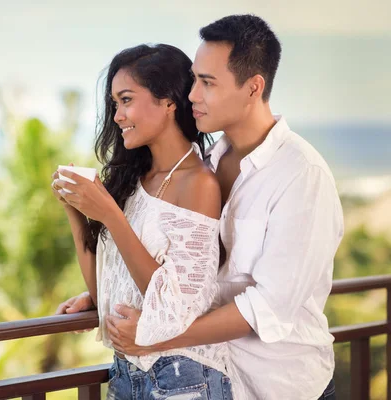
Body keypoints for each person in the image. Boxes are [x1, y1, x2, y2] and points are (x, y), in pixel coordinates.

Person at [58, 15, 343, 400]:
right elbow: (192, 274)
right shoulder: (205, 162)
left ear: (253, 87)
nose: (192, 95)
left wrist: (156, 334)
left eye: (207, 83)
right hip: (213, 376)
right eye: (194, 80)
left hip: (281, 386)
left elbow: (265, 307)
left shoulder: (300, 175)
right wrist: (104, 296)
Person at [51, 43, 235, 399]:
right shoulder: (136, 181)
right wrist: (76, 213)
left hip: (183, 375)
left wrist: (109, 215)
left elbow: (176, 307)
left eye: (126, 100)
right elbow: (101, 287)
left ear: (168, 102)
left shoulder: (199, 183)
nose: (117, 115)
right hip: (125, 374)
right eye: (114, 104)